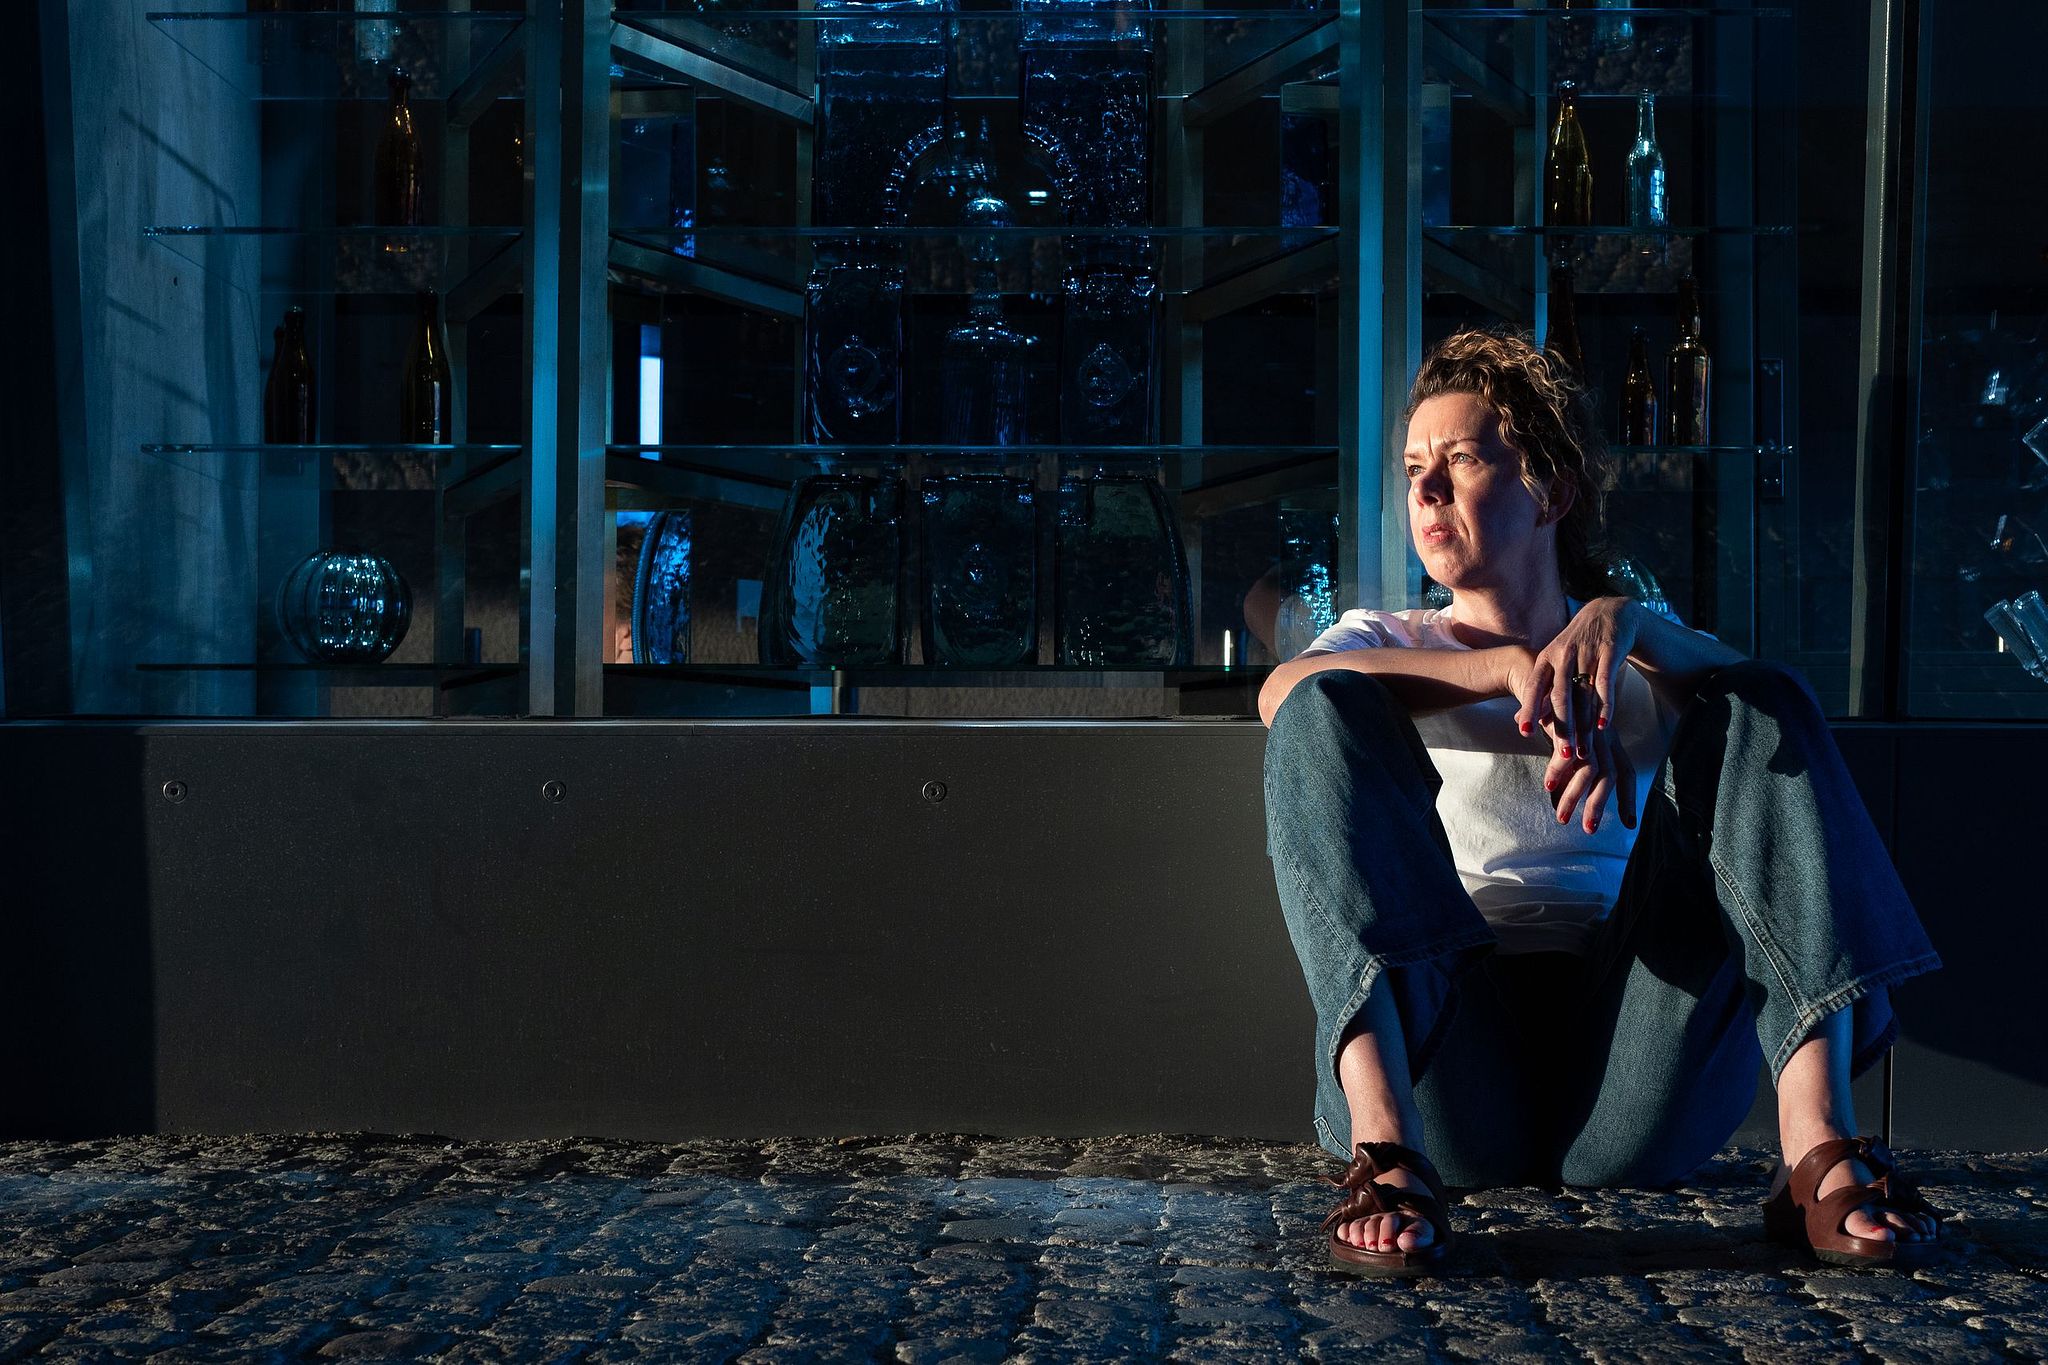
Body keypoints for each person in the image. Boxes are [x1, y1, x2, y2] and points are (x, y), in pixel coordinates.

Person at [1257, 329, 1950, 1276]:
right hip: (1448, 1060)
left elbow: (1777, 708)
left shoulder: (1638, 653)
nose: (1425, 492)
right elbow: (1282, 693)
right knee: (1320, 702)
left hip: (1636, 1050)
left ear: (1551, 488)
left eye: (1459, 460)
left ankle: (1818, 1152)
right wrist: (1493, 668)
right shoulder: (1387, 637)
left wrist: (1631, 621)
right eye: (1416, 466)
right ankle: (1383, 1154)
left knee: (1759, 698)